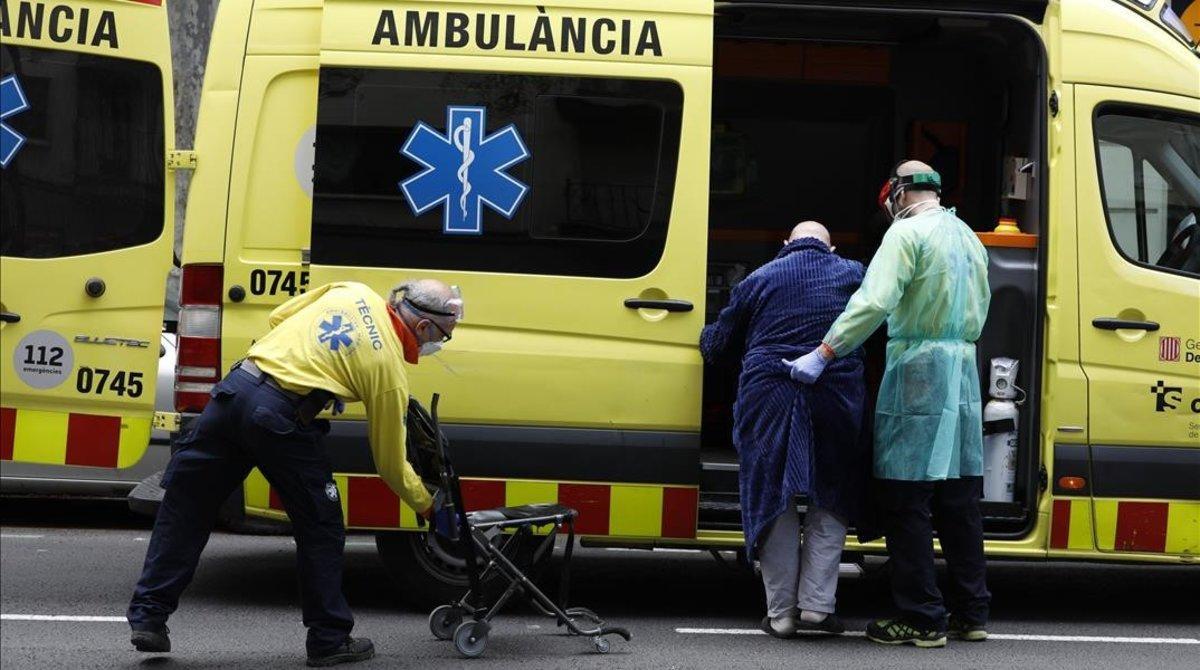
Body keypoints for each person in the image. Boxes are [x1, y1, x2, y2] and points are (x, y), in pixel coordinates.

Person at [127, 280, 462, 666]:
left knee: (187, 509)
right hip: (280, 419)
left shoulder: (353, 291)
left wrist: (318, 374)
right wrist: (427, 506)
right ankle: (329, 639)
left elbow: (279, 316)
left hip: (234, 393)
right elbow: (389, 463)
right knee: (321, 524)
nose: (436, 346)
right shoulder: (386, 369)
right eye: (441, 337)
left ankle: (149, 617)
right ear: (422, 328)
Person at [784, 160, 992, 648]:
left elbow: (874, 302)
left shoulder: (905, 235)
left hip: (919, 369)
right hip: (962, 370)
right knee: (960, 499)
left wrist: (825, 351)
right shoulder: (968, 236)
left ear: (899, 193)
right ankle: (971, 611)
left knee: (905, 498)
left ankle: (921, 617)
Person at [701, 222, 869, 639]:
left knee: (772, 493)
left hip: (768, 394)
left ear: (785, 246)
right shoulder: (852, 273)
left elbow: (717, 346)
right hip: (836, 391)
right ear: (830, 248)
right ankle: (817, 607)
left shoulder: (759, 278)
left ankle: (781, 615)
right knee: (831, 493)